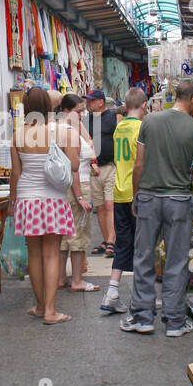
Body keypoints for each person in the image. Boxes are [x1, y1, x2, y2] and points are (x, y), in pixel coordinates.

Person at [121, 78, 193, 337]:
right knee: (176, 260)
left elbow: (138, 165)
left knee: (144, 256)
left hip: (149, 198)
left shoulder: (150, 121)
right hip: (179, 202)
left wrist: (136, 196)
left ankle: (142, 317)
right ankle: (174, 321)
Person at [9, 86, 78, 325]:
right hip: (53, 199)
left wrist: (12, 201)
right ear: (48, 107)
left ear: (26, 107)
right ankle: (51, 310)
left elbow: (15, 174)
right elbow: (75, 165)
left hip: (27, 200)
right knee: (52, 255)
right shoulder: (59, 132)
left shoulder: (18, 134)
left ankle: (40, 306)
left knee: (34, 255)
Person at [100, 86, 148, 315]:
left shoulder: (119, 129)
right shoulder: (142, 129)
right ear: (144, 106)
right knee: (142, 245)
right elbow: (141, 163)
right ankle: (140, 297)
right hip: (135, 193)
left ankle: (112, 291)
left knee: (122, 244)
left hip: (119, 192)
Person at [57, 93, 98, 293]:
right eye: (78, 111)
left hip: (67, 186)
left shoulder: (63, 129)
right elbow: (73, 167)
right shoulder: (69, 133)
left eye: (83, 112)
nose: (81, 115)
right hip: (77, 185)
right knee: (78, 234)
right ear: (66, 110)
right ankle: (77, 280)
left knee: (65, 235)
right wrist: (80, 196)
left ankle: (61, 278)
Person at [84, 88, 118, 258]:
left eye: (91, 100)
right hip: (93, 168)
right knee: (100, 206)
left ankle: (112, 239)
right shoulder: (86, 120)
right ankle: (106, 240)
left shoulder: (112, 117)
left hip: (110, 166)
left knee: (110, 205)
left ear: (100, 102)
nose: (88, 103)